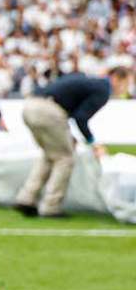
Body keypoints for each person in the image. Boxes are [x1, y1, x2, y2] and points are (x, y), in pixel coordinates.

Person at [15, 66, 133, 217]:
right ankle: (51, 206)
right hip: (49, 111)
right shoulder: (103, 88)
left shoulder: (89, 81)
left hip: (31, 106)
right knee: (65, 158)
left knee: (50, 155)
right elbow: (81, 118)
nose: (125, 88)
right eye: (126, 83)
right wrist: (92, 143)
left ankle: (26, 197)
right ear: (116, 78)